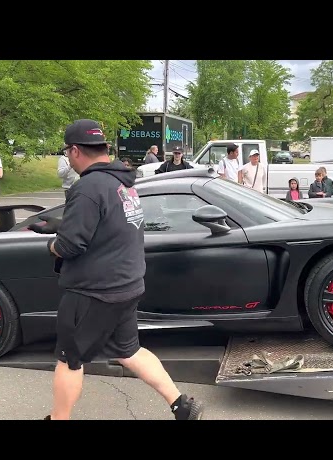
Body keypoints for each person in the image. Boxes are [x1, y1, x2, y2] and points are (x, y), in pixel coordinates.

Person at [28, 119, 204, 421]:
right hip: (127, 285)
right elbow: (110, 224)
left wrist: (51, 245)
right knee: (128, 351)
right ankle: (181, 405)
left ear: (74, 150)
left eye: (68, 154)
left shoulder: (87, 188)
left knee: (70, 359)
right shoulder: (123, 182)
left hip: (94, 291)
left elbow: (70, 247)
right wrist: (65, 226)